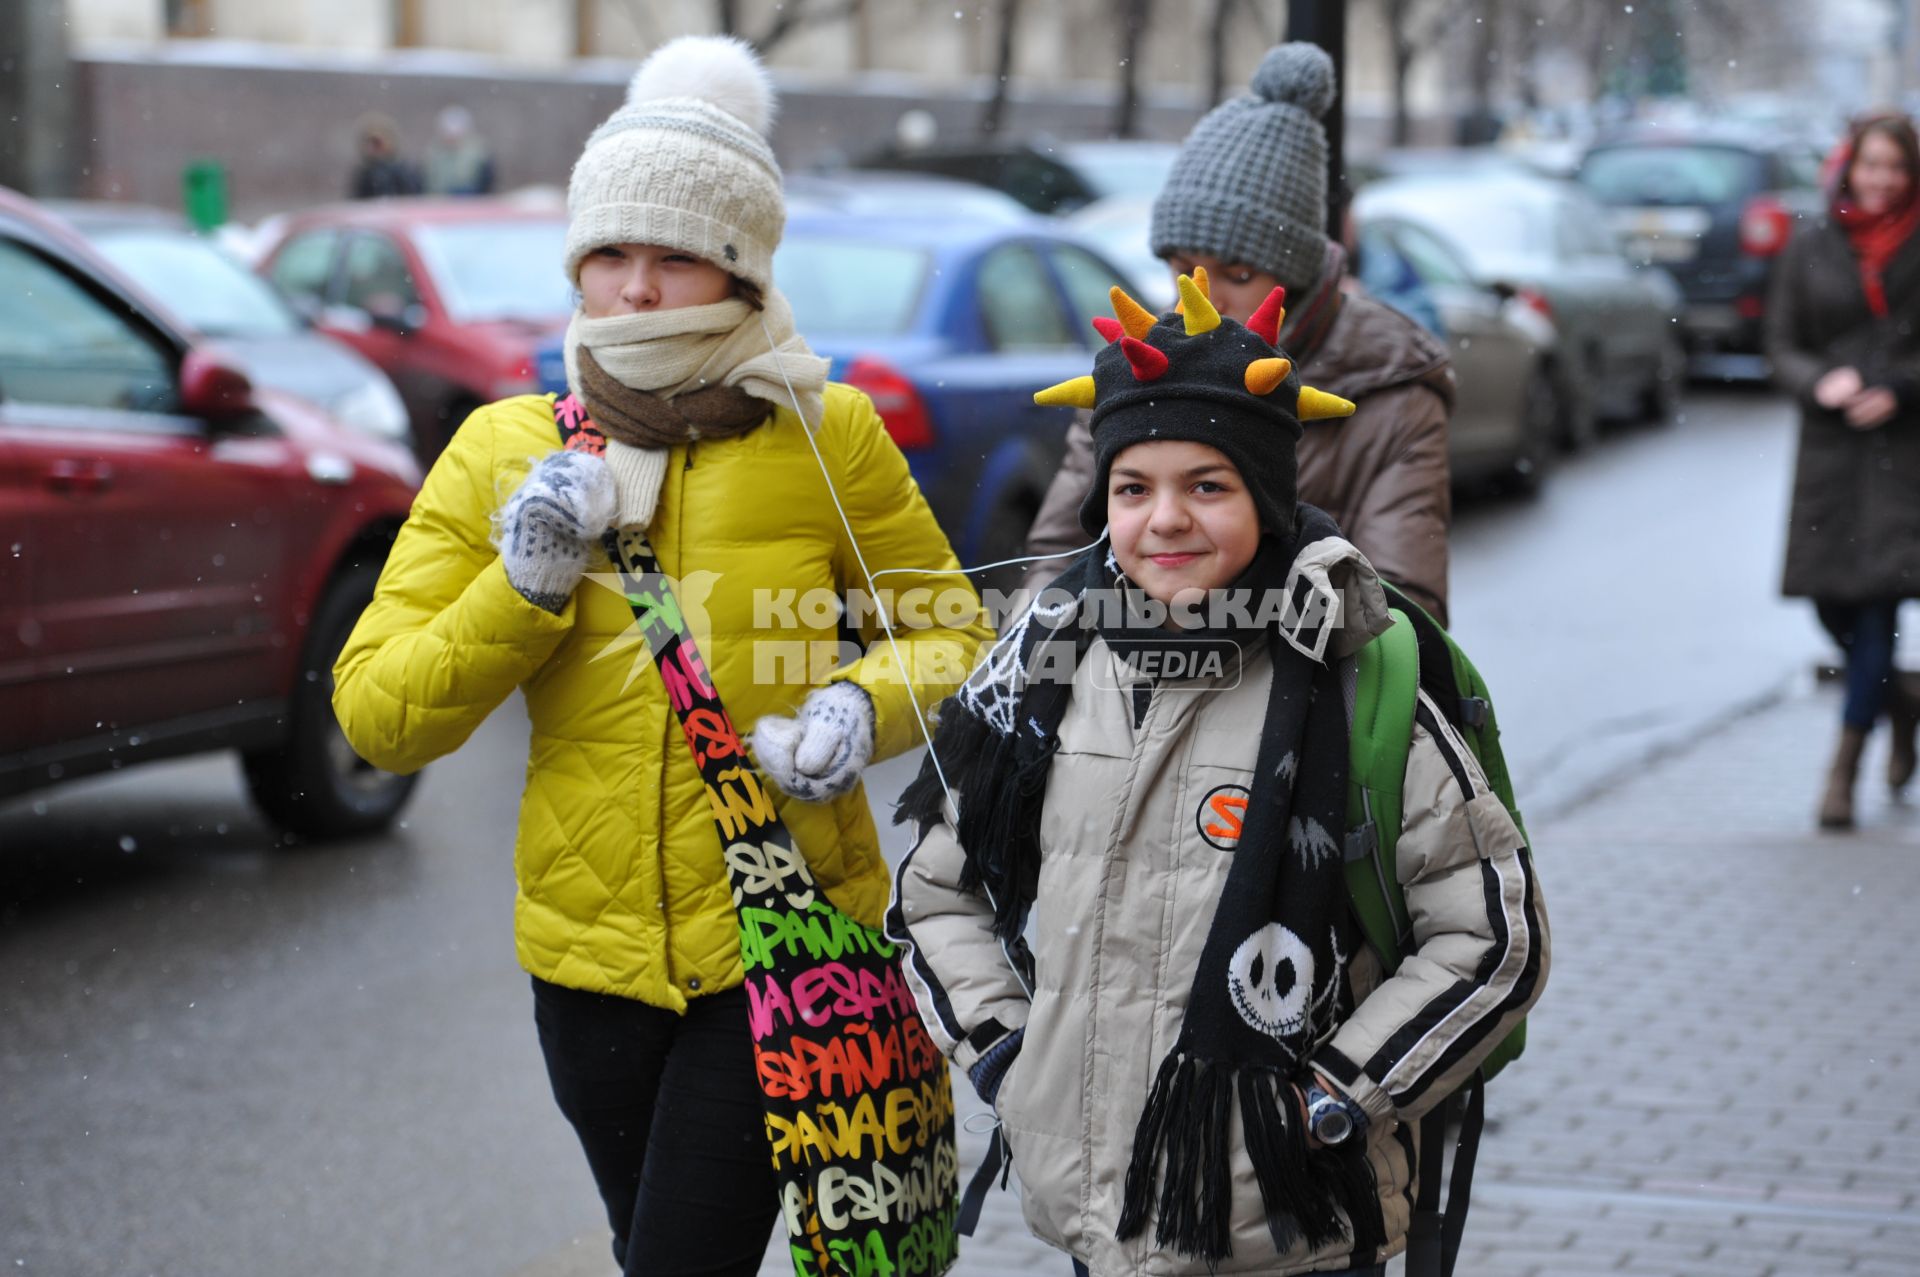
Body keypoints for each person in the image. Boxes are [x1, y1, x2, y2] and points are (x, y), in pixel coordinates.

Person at [330, 36, 990, 1276]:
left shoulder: (826, 431)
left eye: (675, 254)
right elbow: (378, 716)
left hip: (778, 944)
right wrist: (521, 587)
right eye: (609, 254)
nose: (634, 289)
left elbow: (954, 633)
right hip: (584, 964)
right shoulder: (502, 449)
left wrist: (861, 700)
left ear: (741, 275)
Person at [890, 279, 1548, 1276]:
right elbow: (938, 890)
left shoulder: (1354, 675)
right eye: (1133, 487)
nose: (1165, 519)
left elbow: (1494, 936)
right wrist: (1007, 1057)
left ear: (1267, 497)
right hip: (1093, 1216)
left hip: (1294, 1227)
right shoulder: (1046, 665)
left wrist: (1332, 1096)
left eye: (1208, 484)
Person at [1021, 43, 1455, 625]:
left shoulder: (1391, 387)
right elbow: (1056, 561)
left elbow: (1401, 611)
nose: (1203, 297)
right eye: (1181, 268)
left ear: (1295, 276)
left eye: (1239, 273)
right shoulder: (1137, 367)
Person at [1768, 110, 1920, 830]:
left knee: (1879, 603)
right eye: (1872, 166)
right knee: (1830, 603)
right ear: (1849, 168)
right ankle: (1903, 701)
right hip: (1830, 452)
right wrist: (1817, 380)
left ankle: (1843, 770)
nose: (1883, 179)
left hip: (1904, 452)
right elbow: (1782, 341)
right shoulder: (1812, 243)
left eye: (1895, 167)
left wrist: (1900, 387)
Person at [423, 105, 496, 197]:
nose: (452, 137)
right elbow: (429, 181)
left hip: (470, 201)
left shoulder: (478, 153)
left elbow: (485, 183)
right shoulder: (433, 153)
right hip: (440, 201)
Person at [348, 112, 421, 199]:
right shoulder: (363, 175)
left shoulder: (405, 172)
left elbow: (413, 201)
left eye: (377, 143)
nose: (373, 148)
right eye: (369, 143)